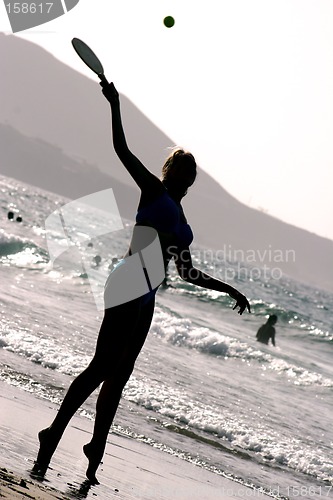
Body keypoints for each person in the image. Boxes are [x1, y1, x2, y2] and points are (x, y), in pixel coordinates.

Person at [32, 81, 251, 484]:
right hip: (129, 280)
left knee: (120, 375)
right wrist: (115, 105)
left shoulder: (183, 223)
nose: (189, 173)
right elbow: (122, 150)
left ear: (194, 179)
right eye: (184, 168)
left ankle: (94, 455)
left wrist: (229, 290)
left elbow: (186, 273)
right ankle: (53, 434)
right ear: (172, 172)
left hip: (148, 294)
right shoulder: (153, 191)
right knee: (102, 366)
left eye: (192, 170)